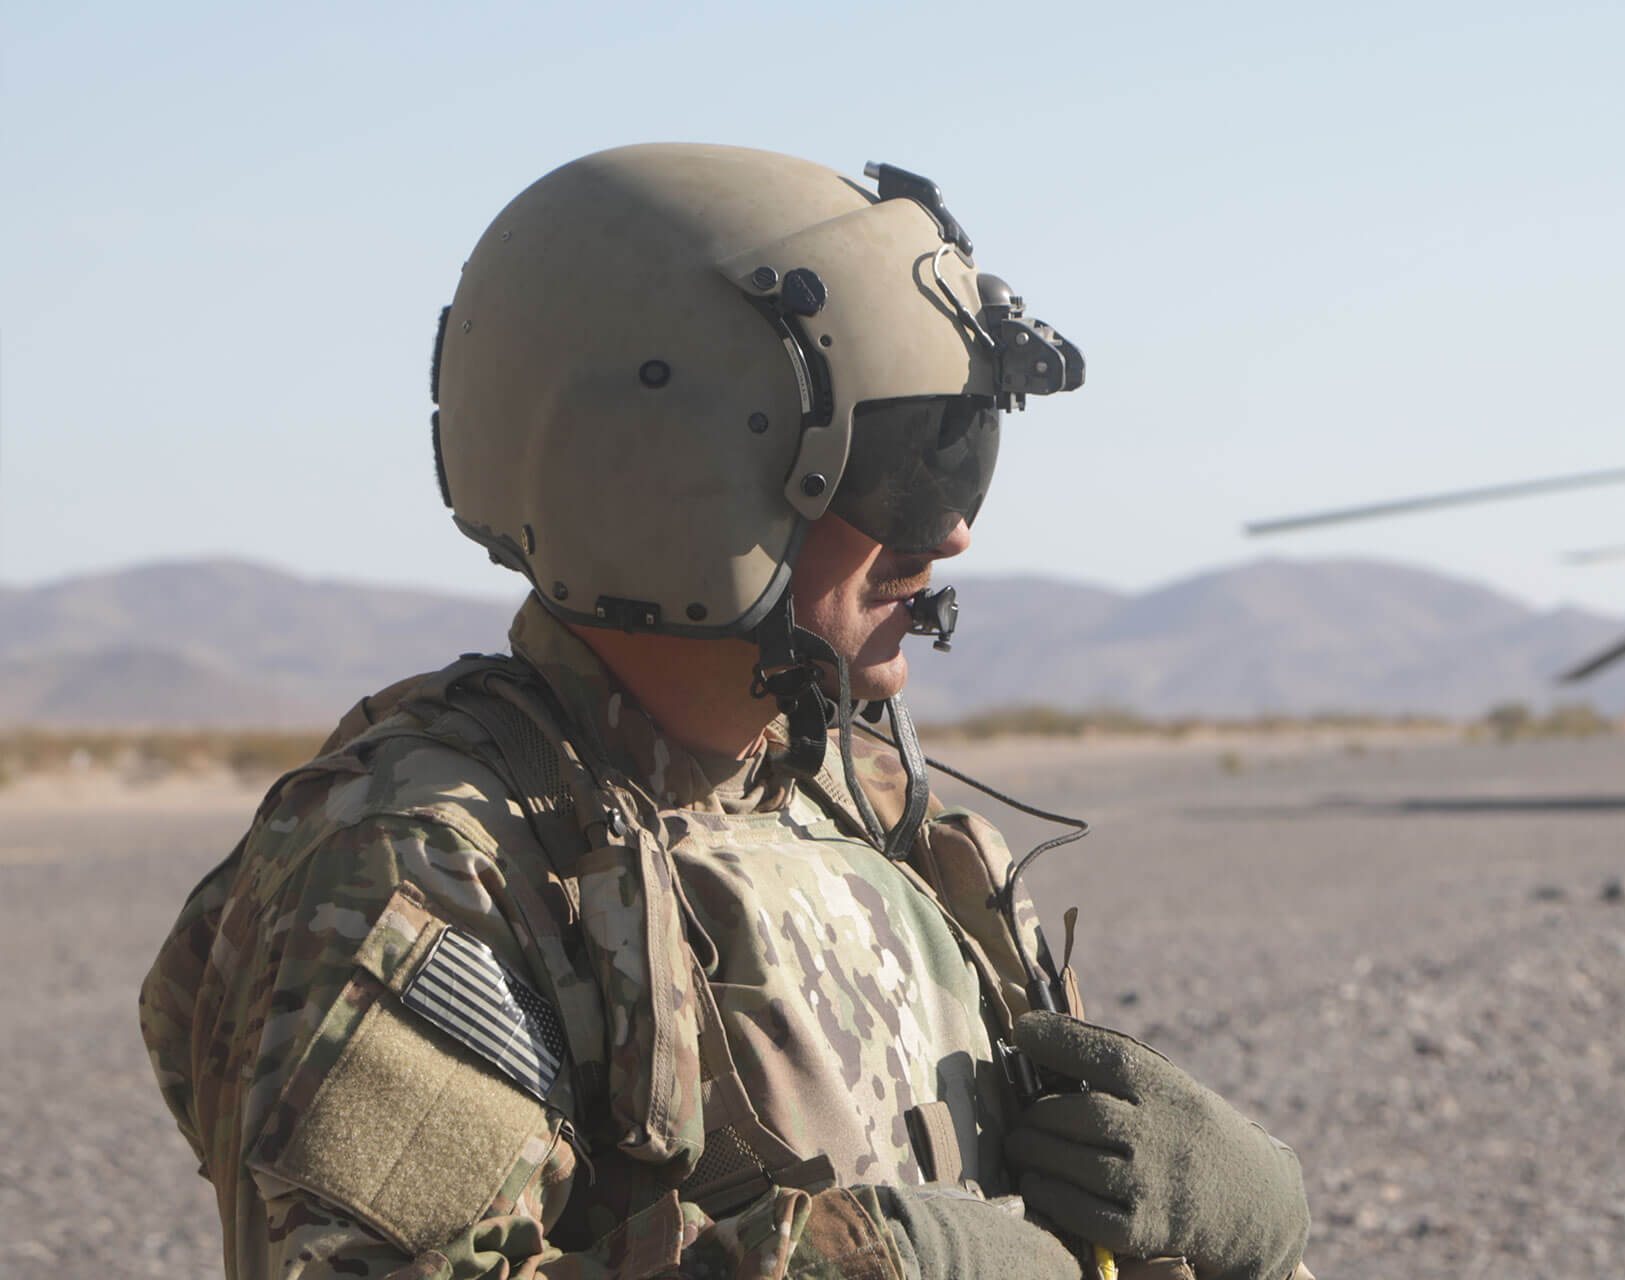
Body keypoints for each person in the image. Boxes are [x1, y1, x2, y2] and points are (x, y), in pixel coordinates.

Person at [138, 143, 1311, 1280]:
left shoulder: (893, 821)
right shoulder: (419, 866)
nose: (950, 532)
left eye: (967, 453)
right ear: (663, 480)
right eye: (906, 461)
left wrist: (1242, 1242)